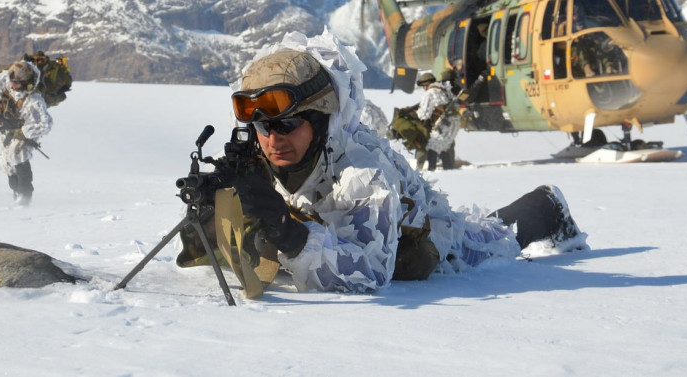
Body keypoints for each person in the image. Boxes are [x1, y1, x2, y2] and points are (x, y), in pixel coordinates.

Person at [179, 30, 586, 293]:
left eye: (288, 125)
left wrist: (287, 231)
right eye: (263, 129)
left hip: (433, 241)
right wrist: (215, 206)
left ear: (321, 122)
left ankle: (548, 205)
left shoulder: (364, 172)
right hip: (338, 227)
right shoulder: (266, 153)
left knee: (494, 239)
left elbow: (371, 271)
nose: (273, 140)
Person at [0, 60, 53, 205]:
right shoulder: (6, 83)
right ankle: (16, 192)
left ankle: (25, 196)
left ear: (28, 83)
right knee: (6, 162)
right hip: (6, 129)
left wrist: (23, 132)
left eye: (18, 83)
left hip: (23, 132)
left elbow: (45, 124)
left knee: (18, 156)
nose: (13, 85)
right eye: (12, 81)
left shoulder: (34, 100)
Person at [415, 71, 460, 171]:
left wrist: (416, 118)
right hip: (453, 123)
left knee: (432, 146)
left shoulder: (430, 93)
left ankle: (432, 169)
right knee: (444, 145)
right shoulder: (444, 90)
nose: (423, 89)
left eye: (423, 86)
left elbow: (424, 113)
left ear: (426, 85)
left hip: (443, 125)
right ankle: (448, 168)